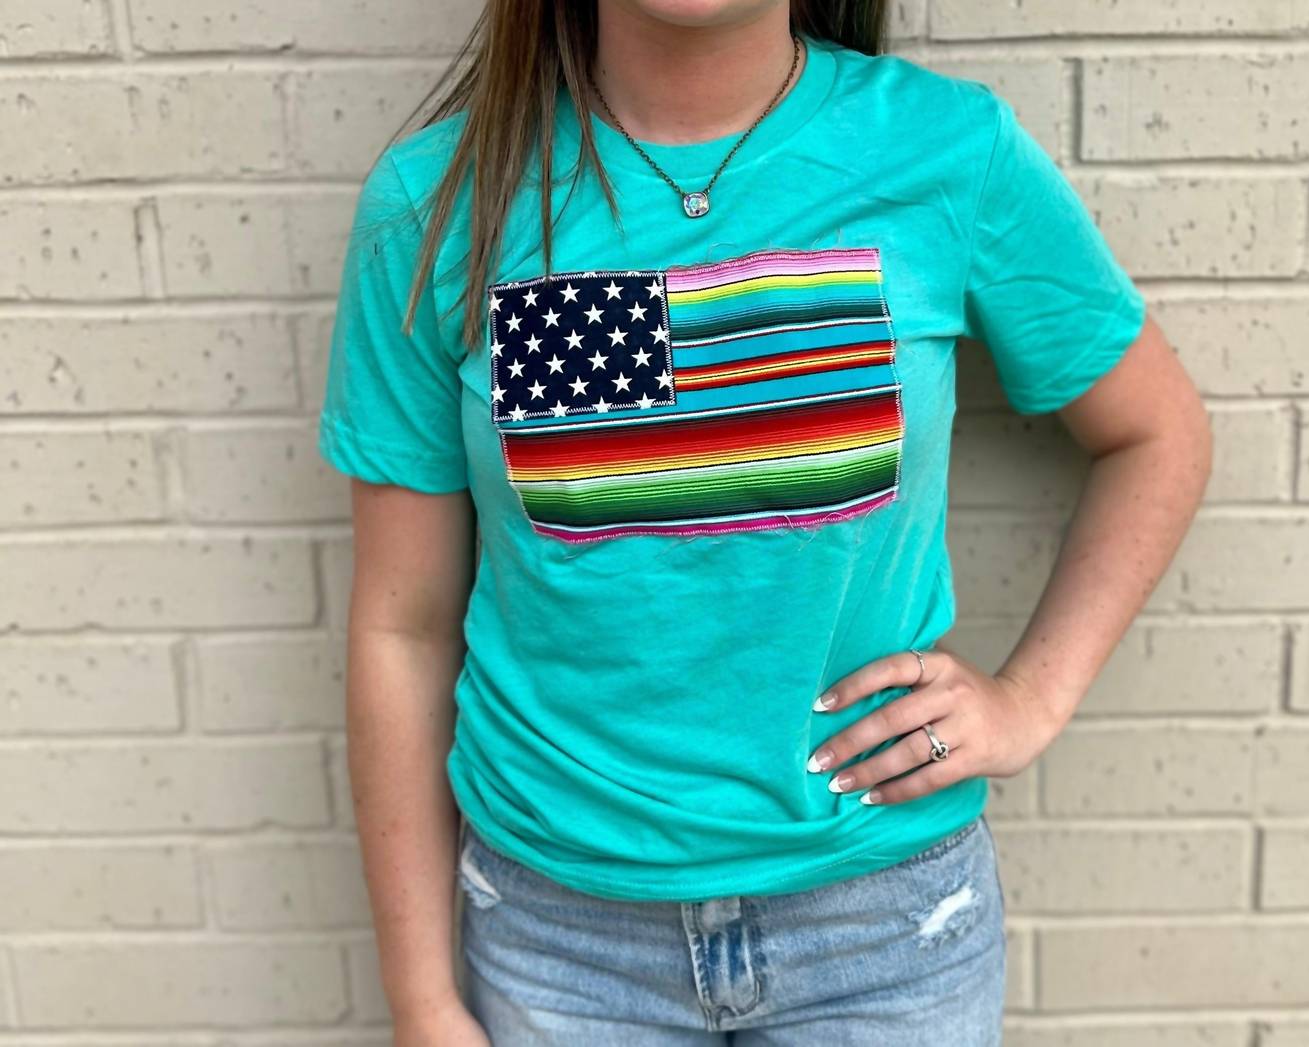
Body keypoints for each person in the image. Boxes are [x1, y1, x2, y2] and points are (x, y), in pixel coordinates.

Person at [316, 1, 1213, 1043]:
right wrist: (421, 999)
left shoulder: (944, 151)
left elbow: (1157, 435)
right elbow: (403, 628)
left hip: (885, 930)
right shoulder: (436, 202)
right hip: (563, 943)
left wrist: (1031, 698)